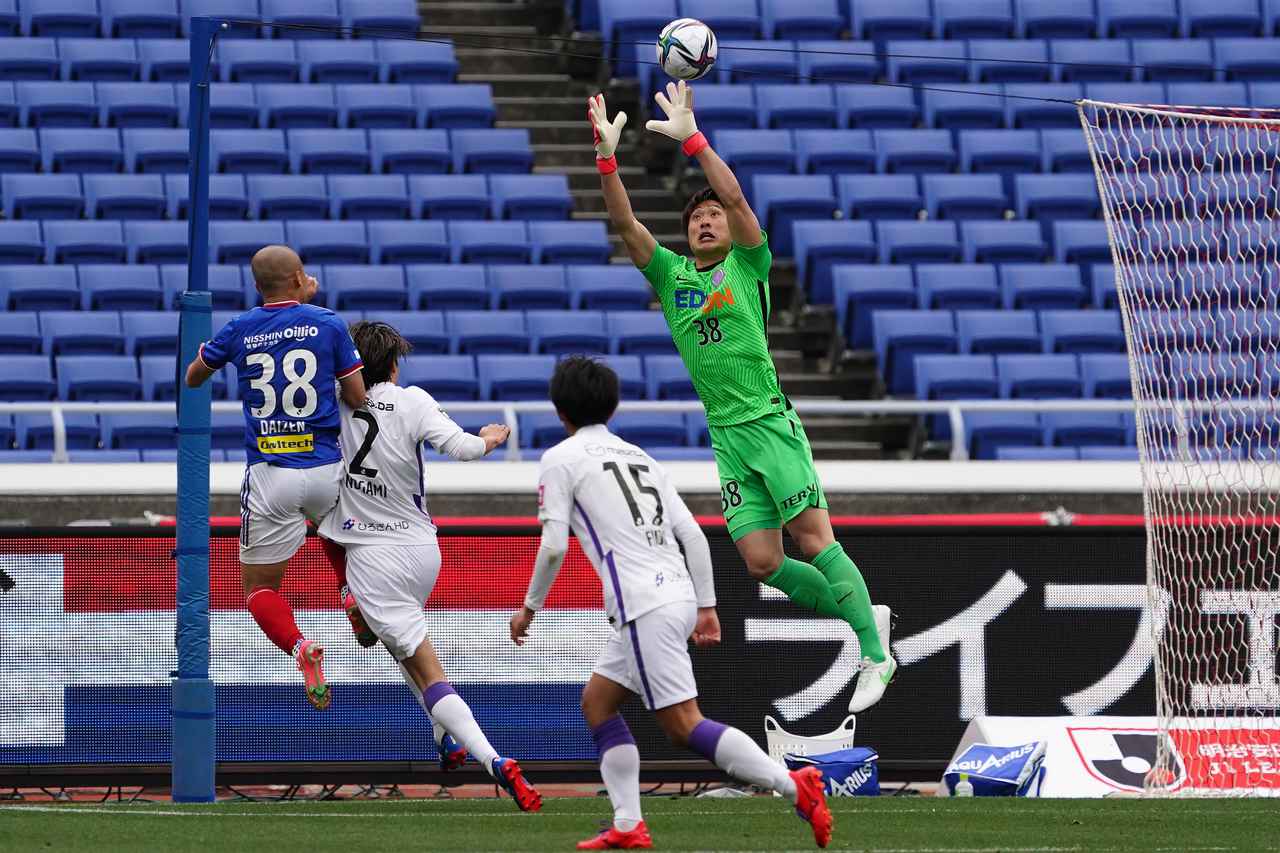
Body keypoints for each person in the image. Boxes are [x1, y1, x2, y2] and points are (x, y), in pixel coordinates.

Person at [586, 82, 894, 713]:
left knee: (814, 540)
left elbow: (733, 195)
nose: (705, 219)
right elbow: (624, 223)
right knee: (761, 562)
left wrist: (694, 140)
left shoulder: (747, 265)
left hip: (770, 424)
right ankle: (862, 611)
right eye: (695, 218)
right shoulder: (673, 278)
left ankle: (874, 651)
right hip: (726, 436)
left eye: (712, 216)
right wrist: (607, 160)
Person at [510, 357, 831, 850]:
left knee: (685, 726)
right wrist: (705, 606)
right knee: (598, 703)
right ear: (611, 407)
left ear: (560, 410)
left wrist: (529, 608)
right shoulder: (640, 457)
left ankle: (793, 785)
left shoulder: (561, 458)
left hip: (642, 603)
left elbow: (554, 545)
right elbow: (692, 535)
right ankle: (626, 826)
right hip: (674, 593)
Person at [317, 321, 542, 812]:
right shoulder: (412, 399)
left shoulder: (332, 403)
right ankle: (446, 740)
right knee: (408, 652)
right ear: (393, 365)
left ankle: (494, 761)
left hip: (371, 557)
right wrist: (490, 437)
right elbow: (464, 449)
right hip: (422, 551)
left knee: (423, 666)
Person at [185, 245, 366, 710]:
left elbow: (193, 377)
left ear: (257, 286)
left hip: (270, 474)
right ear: (300, 277)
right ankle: (350, 595)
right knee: (332, 527)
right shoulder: (327, 322)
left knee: (260, 588)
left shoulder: (241, 327)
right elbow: (358, 395)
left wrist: (222, 357)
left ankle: (301, 647)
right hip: (325, 468)